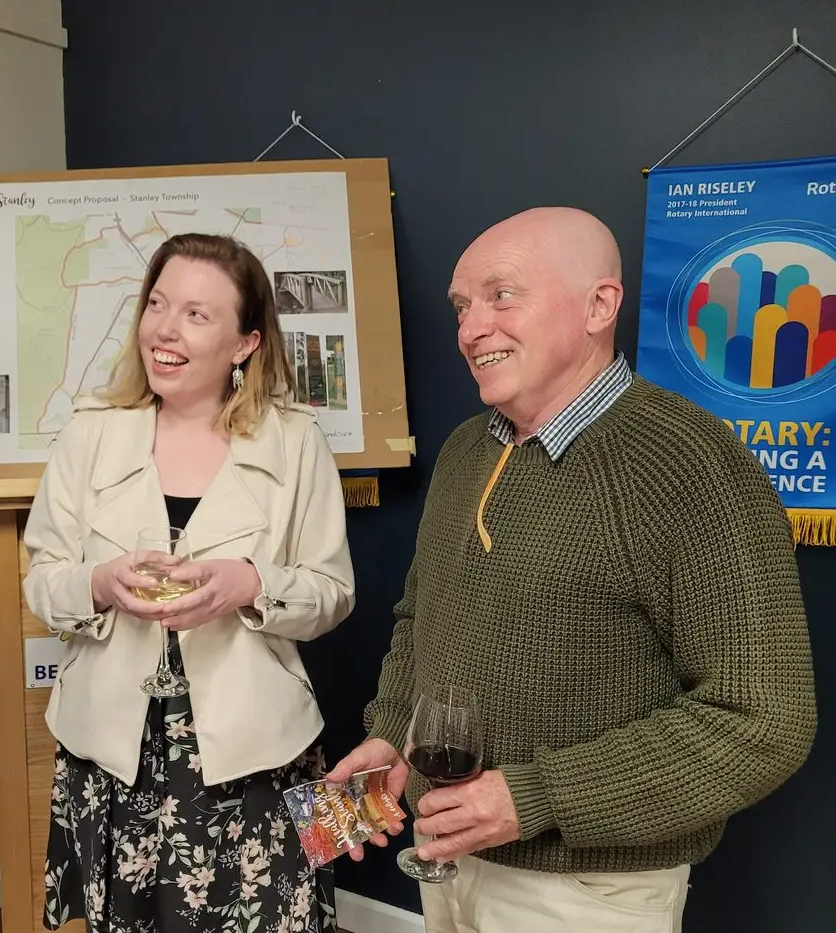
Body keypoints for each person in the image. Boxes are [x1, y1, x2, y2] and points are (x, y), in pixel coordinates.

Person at [329, 206, 817, 933]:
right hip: (446, 855)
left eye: (502, 295)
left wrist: (535, 797)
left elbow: (763, 720)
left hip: (586, 892)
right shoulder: (467, 448)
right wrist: (391, 731)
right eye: (463, 306)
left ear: (600, 305)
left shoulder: (693, 463)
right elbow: (421, 617)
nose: (470, 329)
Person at [22, 232, 355, 933]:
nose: (164, 330)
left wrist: (251, 583)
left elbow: (332, 590)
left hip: (255, 755)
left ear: (244, 343)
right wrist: (101, 583)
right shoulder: (91, 432)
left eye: (197, 315)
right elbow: (43, 580)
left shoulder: (296, 441)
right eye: (158, 304)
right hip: (111, 755)